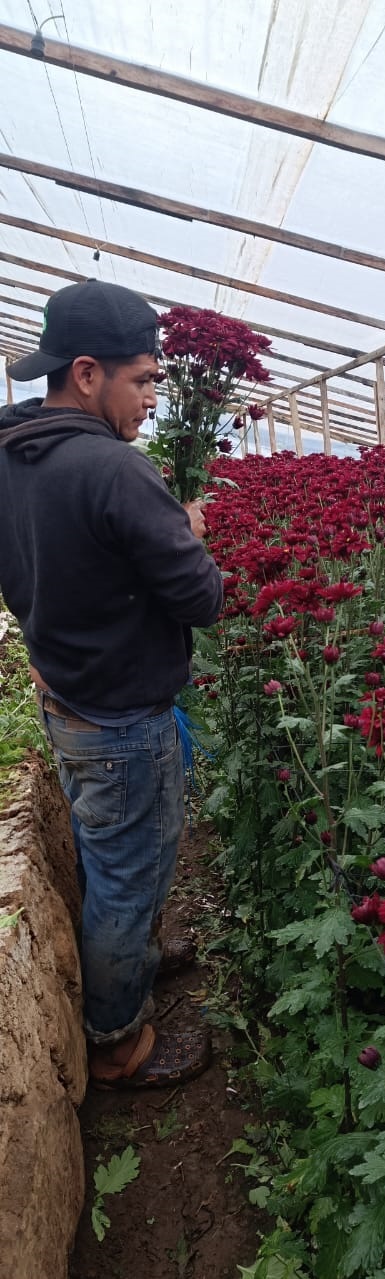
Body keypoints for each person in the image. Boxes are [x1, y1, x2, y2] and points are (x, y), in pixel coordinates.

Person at [0, 279, 223, 1088]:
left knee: (107, 858)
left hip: (68, 694)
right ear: (86, 373)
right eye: (145, 381)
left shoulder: (13, 450)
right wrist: (187, 529)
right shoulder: (116, 471)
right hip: (125, 718)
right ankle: (119, 1042)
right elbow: (203, 599)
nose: (154, 400)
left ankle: (127, 961)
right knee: (130, 876)